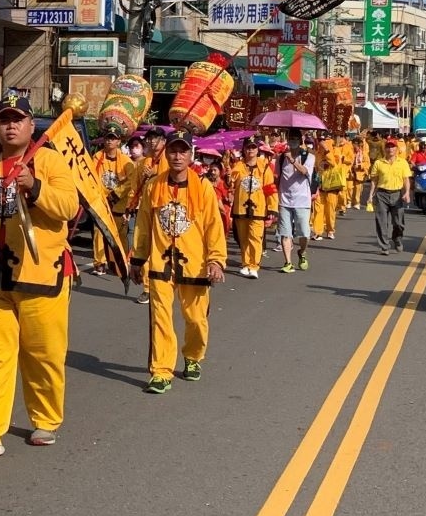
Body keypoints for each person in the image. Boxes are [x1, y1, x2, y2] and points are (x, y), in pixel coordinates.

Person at [0, 94, 78, 458]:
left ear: (31, 125)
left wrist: (35, 187)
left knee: (43, 354)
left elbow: (69, 207)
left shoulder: (50, 161)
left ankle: (45, 418)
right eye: (4, 119)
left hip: (41, 277)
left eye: (18, 119)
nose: (11, 125)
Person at [129, 130, 226, 394]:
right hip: (161, 265)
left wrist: (216, 261)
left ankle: (193, 356)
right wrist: (137, 259)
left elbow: (213, 227)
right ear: (166, 153)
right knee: (160, 318)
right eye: (173, 150)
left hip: (194, 265)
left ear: (190, 154)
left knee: (195, 319)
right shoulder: (154, 186)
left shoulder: (203, 188)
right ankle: (161, 371)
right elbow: (144, 225)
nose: (177, 156)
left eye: (183, 151)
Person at [126, 127, 168, 304]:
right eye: (149, 138)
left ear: (164, 141)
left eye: (155, 138)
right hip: (144, 209)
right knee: (143, 246)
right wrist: (130, 206)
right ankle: (147, 288)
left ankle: (157, 287)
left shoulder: (168, 159)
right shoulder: (144, 162)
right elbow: (135, 186)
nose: (151, 141)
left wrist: (156, 175)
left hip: (163, 209)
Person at [229, 137, 278, 278]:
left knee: (255, 237)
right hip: (241, 208)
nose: (250, 150)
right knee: (243, 238)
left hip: (258, 209)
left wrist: (272, 208)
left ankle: (254, 265)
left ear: (257, 150)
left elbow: (270, 189)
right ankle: (245, 264)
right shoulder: (238, 166)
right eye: (248, 147)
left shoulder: (265, 167)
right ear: (243, 150)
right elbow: (231, 184)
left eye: (253, 147)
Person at [89, 130, 135, 276]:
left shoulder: (127, 162)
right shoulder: (97, 157)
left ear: (118, 142)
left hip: (119, 204)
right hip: (101, 202)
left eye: (113, 139)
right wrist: (102, 196)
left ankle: (121, 260)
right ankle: (99, 262)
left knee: (120, 233)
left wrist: (116, 195)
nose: (109, 141)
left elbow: (131, 181)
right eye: (108, 138)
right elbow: (92, 177)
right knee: (99, 231)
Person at [275, 130, 315, 273]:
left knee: (304, 233)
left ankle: (302, 252)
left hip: (302, 201)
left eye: (295, 138)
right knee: (285, 234)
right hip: (285, 201)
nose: (293, 141)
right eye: (290, 138)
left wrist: (292, 161)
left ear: (301, 140)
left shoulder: (308, 156)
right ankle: (288, 262)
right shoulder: (280, 158)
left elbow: (305, 172)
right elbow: (277, 178)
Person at [366, 138, 412, 254]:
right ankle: (384, 246)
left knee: (398, 223)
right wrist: (370, 195)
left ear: (397, 149)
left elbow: (406, 179)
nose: (390, 149)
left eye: (392, 147)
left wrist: (406, 192)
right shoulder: (378, 163)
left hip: (397, 194)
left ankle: (397, 239)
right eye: (388, 147)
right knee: (381, 222)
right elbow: (374, 181)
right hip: (382, 194)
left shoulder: (402, 163)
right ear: (384, 148)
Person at [314, 148, 347, 241]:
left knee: (330, 212)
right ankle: (317, 232)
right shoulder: (318, 153)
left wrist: (326, 151)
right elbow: (315, 166)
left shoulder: (335, 150)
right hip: (319, 189)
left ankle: (330, 230)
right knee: (318, 210)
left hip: (331, 189)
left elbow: (334, 163)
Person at [347, 137, 370, 208]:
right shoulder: (349, 152)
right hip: (350, 172)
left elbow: (367, 163)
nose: (355, 146)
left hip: (359, 173)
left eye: (357, 145)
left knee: (358, 188)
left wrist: (360, 166)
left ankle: (357, 202)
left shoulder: (364, 153)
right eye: (354, 144)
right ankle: (349, 201)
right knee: (349, 187)